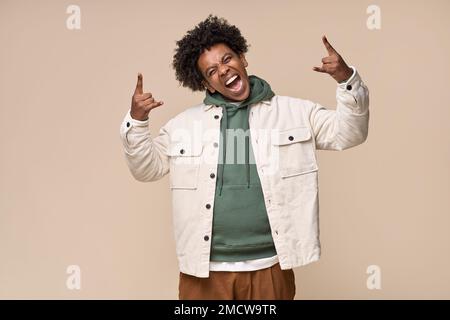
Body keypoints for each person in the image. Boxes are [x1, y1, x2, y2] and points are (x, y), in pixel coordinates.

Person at [119, 15, 369, 300]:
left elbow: (350, 133)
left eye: (227, 59)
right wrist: (136, 122)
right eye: (212, 71)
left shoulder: (295, 113)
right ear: (208, 85)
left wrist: (347, 80)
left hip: (270, 267)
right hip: (204, 273)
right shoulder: (183, 126)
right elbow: (146, 169)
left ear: (243, 58)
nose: (223, 71)